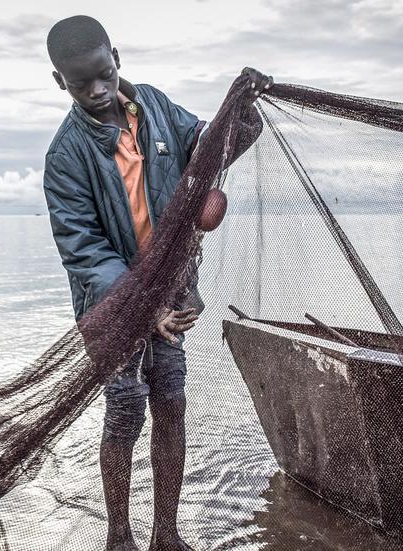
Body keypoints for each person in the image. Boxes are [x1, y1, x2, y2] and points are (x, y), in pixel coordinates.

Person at [42, 15, 271, 551]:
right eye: (80, 83)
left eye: (103, 73)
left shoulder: (157, 107)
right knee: (125, 410)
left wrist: (244, 111)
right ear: (60, 83)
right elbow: (86, 253)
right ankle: (119, 537)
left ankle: (165, 534)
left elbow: (210, 149)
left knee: (171, 403)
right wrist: (143, 310)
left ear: (115, 56)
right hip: (113, 307)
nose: (97, 90)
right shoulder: (66, 156)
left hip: (173, 296)